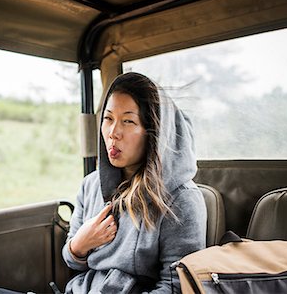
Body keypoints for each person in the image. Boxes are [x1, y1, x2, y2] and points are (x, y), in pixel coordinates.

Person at [62, 72, 207, 293]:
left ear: (154, 133)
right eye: (108, 118)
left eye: (128, 121)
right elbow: (71, 262)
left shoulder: (181, 199)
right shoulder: (90, 186)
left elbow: (177, 287)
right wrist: (78, 246)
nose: (113, 133)